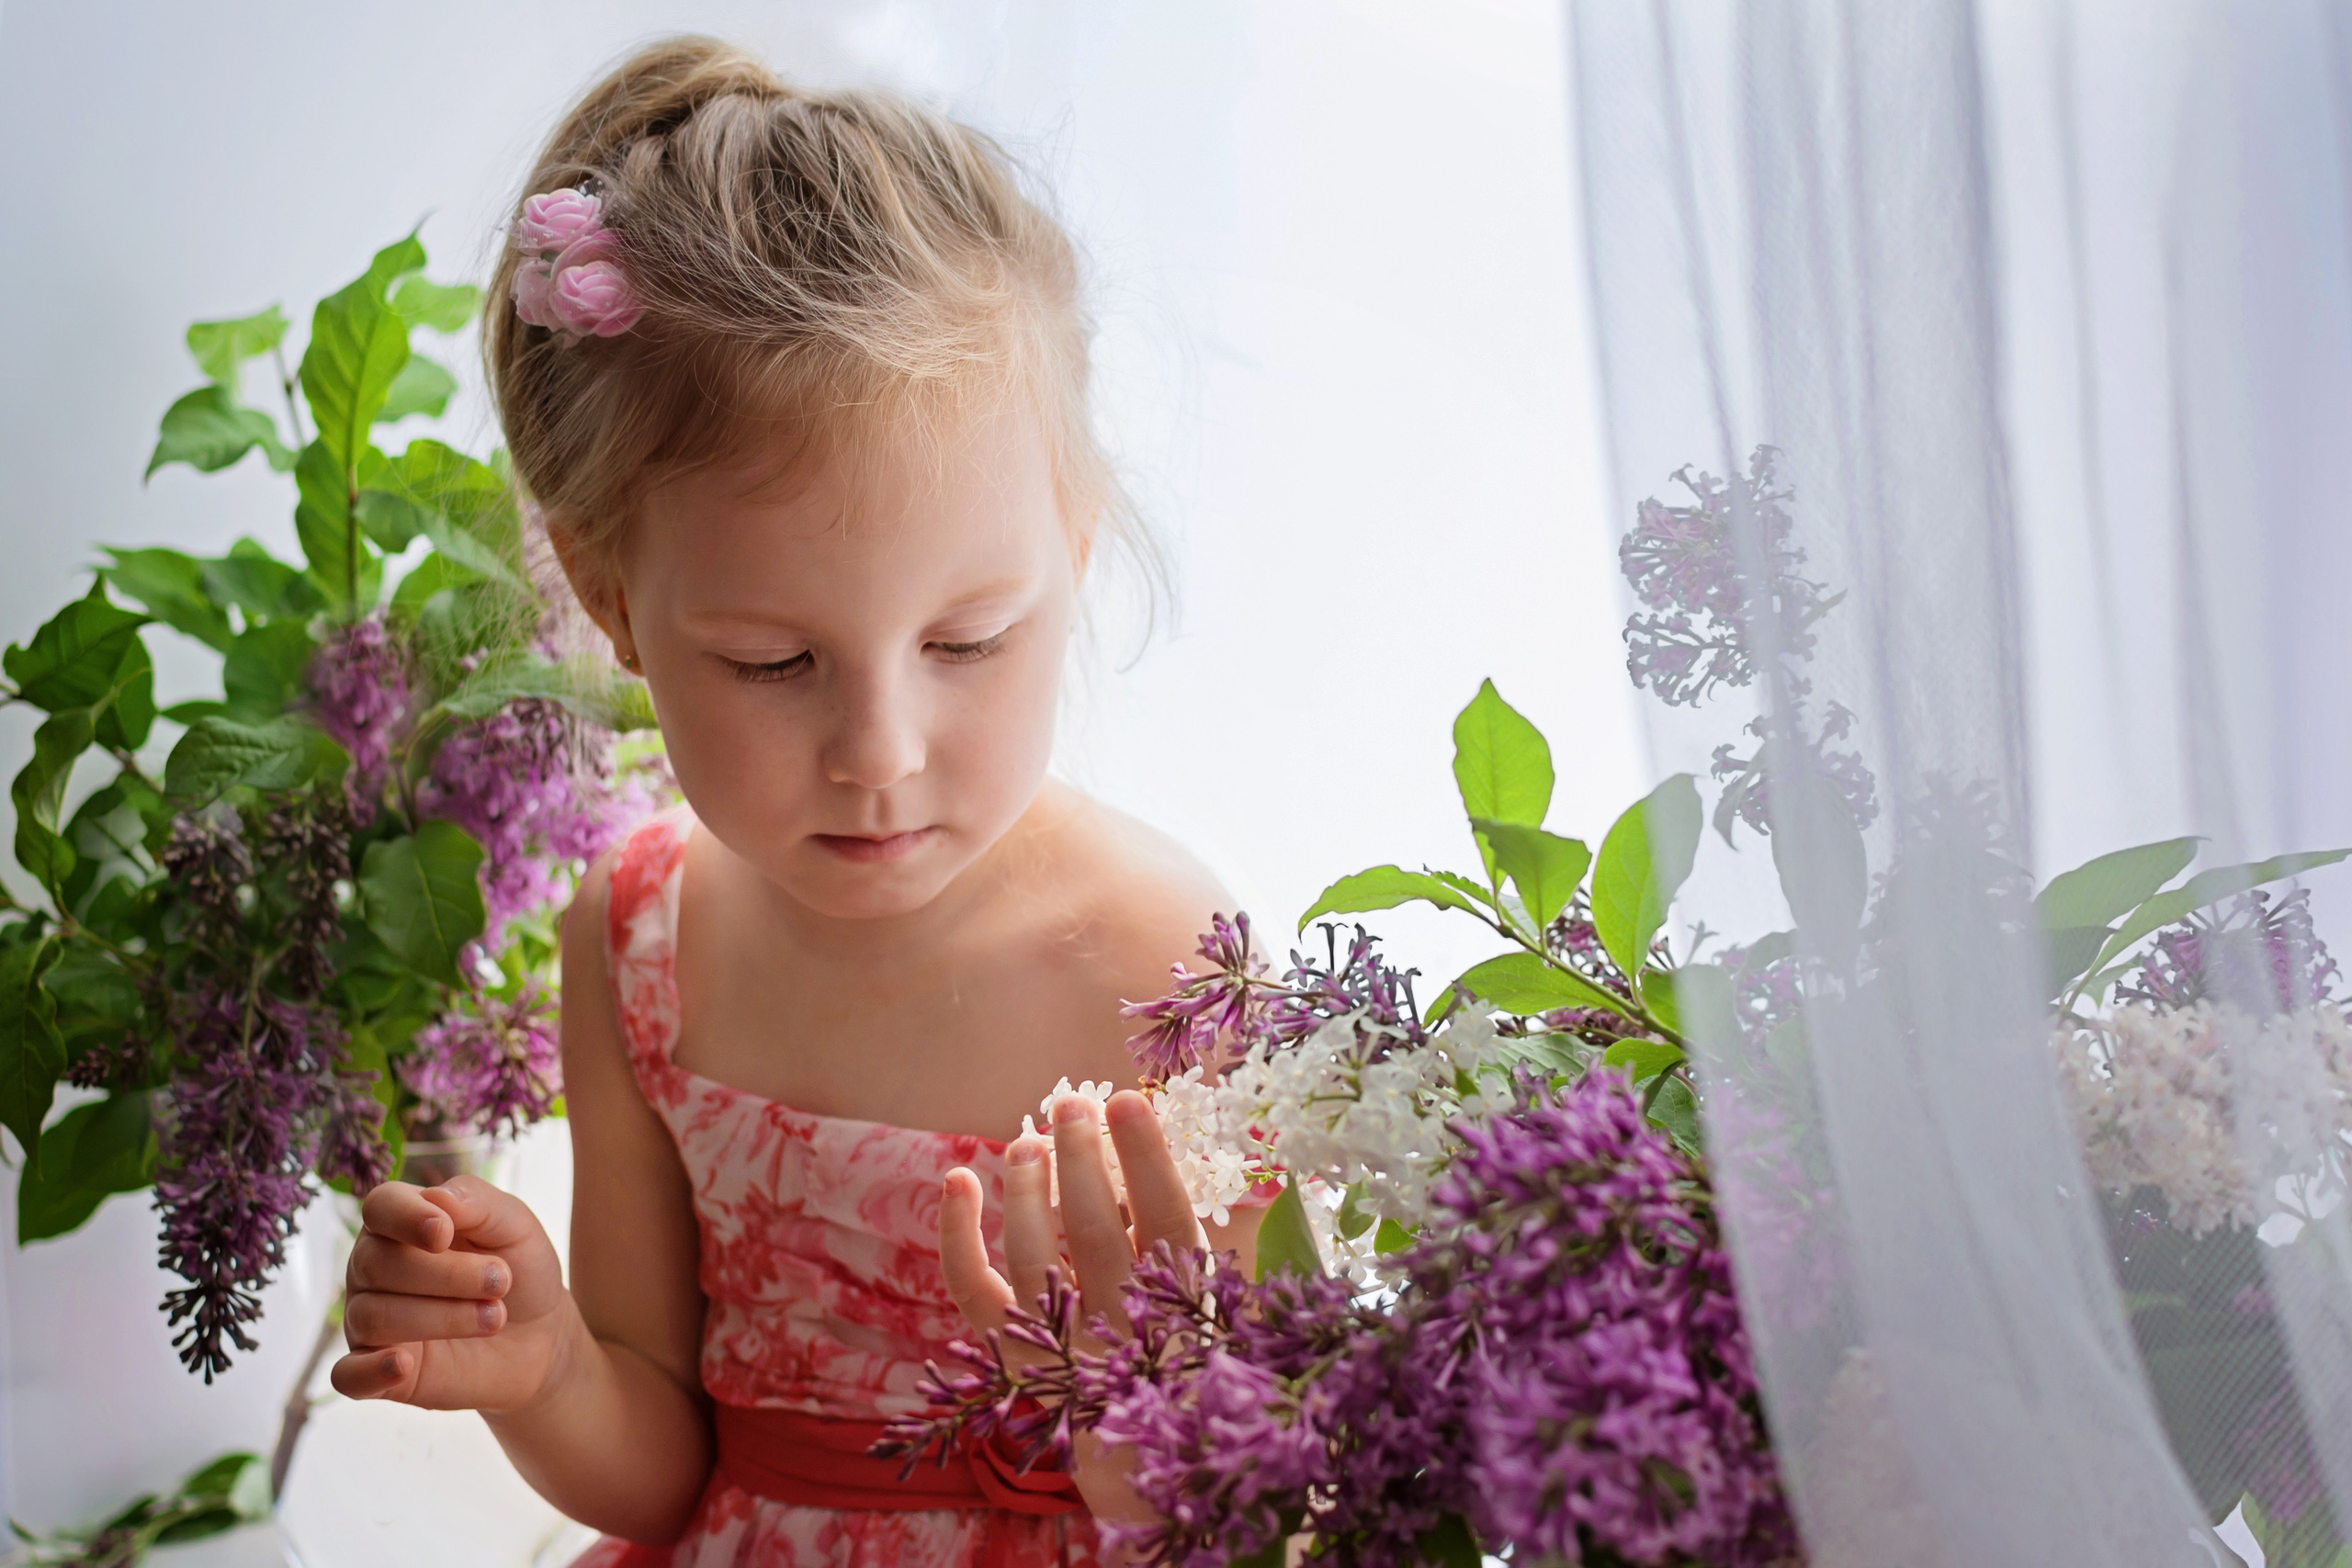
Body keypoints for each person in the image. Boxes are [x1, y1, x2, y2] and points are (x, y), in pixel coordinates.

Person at [325, 36, 1263, 1566]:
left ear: (1075, 546)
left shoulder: (1167, 961)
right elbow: (664, 1460)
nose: (879, 749)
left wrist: (1143, 1436)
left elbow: (1266, 1498)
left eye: (968, 642)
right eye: (773, 662)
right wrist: (549, 1366)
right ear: (609, 597)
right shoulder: (634, 937)